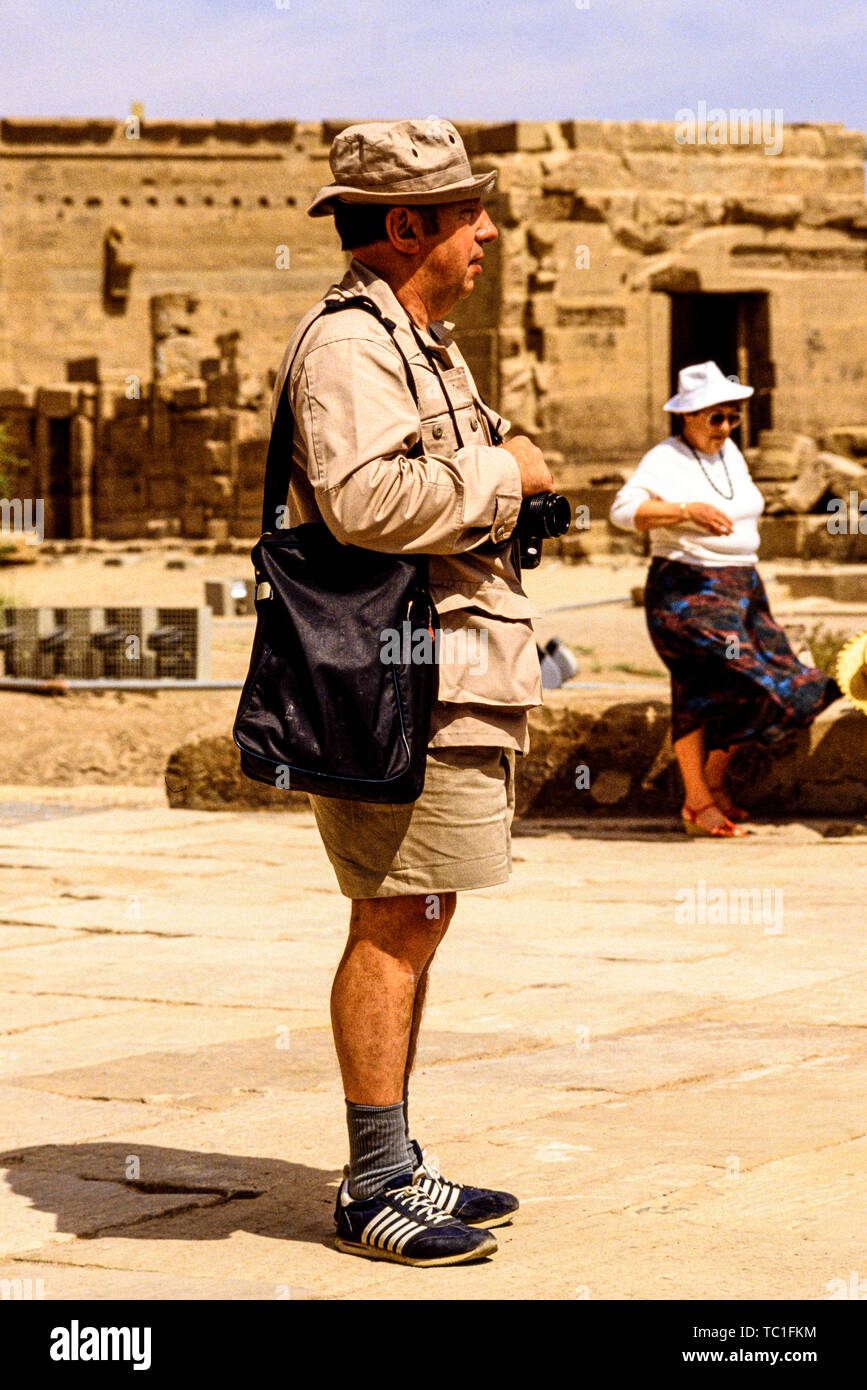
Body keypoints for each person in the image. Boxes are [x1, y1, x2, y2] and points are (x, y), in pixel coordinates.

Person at [271, 119, 553, 1264]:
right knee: (394, 918)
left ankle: (395, 1158)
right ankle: (374, 1186)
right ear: (405, 225)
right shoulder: (351, 344)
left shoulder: (418, 340)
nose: (488, 234)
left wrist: (502, 479)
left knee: (419, 910)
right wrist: (507, 474)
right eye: (468, 214)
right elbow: (364, 501)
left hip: (447, 674)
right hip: (402, 682)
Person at [609, 361, 841, 837]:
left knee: (789, 682)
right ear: (687, 416)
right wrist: (684, 511)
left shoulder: (730, 453)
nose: (726, 427)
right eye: (715, 418)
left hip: (742, 589)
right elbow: (623, 512)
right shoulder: (665, 458)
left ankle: (712, 785)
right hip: (688, 590)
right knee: (725, 679)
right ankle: (697, 802)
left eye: (733, 417)